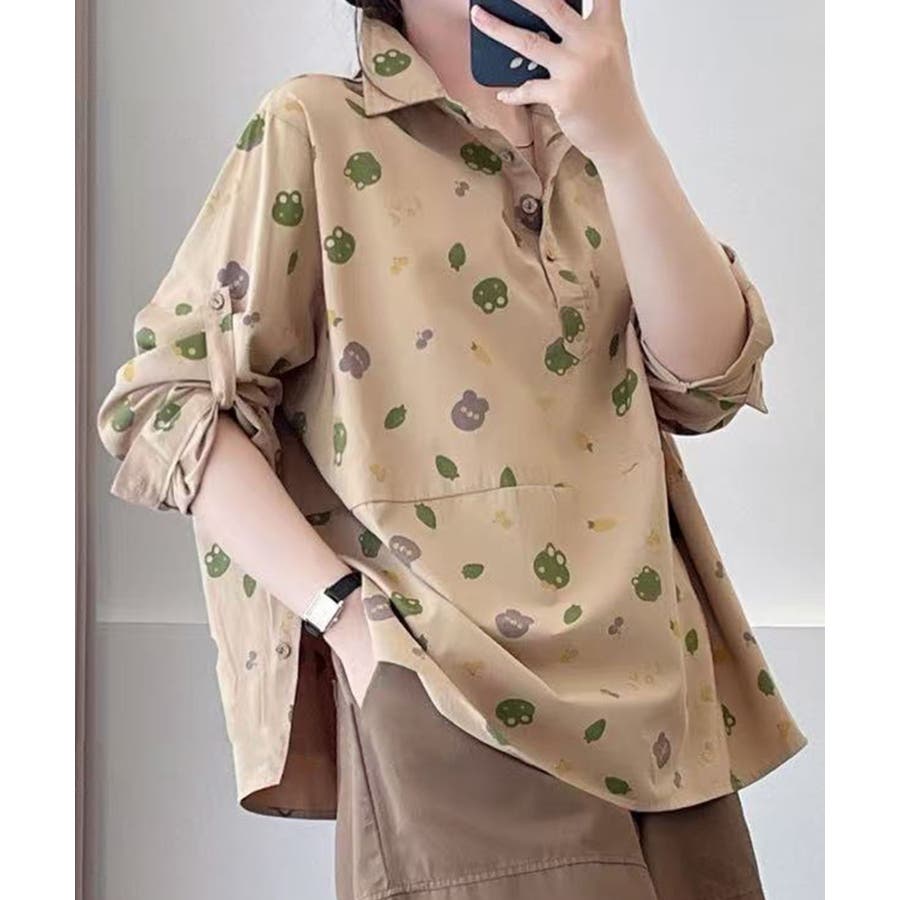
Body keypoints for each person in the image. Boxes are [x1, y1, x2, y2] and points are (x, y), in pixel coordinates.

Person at [95, 1, 808, 897]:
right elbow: (168, 401)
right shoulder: (317, 125)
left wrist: (625, 141)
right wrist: (346, 620)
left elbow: (710, 381)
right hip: (451, 693)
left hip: (668, 711)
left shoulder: (595, 145)